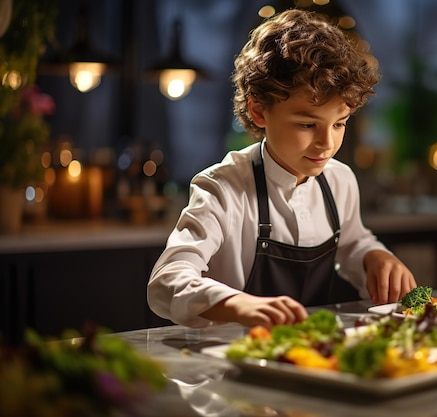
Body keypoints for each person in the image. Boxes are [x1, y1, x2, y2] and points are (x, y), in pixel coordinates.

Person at [147, 8, 416, 329]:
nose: (326, 144)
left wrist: (374, 256)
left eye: (339, 124)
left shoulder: (339, 180)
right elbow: (167, 281)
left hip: (312, 355)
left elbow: (353, 242)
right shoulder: (221, 187)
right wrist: (236, 303)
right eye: (307, 124)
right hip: (231, 361)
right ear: (259, 111)